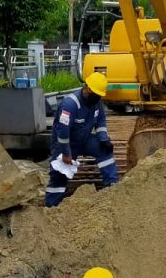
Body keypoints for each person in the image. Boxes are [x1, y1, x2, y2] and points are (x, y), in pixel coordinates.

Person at [45, 71, 117, 207]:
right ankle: (52, 207)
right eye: (97, 95)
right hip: (65, 143)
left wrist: (103, 139)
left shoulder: (96, 102)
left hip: (84, 139)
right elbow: (63, 132)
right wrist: (66, 153)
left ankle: (113, 187)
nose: (99, 99)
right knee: (59, 174)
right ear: (87, 89)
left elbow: (100, 120)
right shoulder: (70, 105)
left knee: (105, 151)